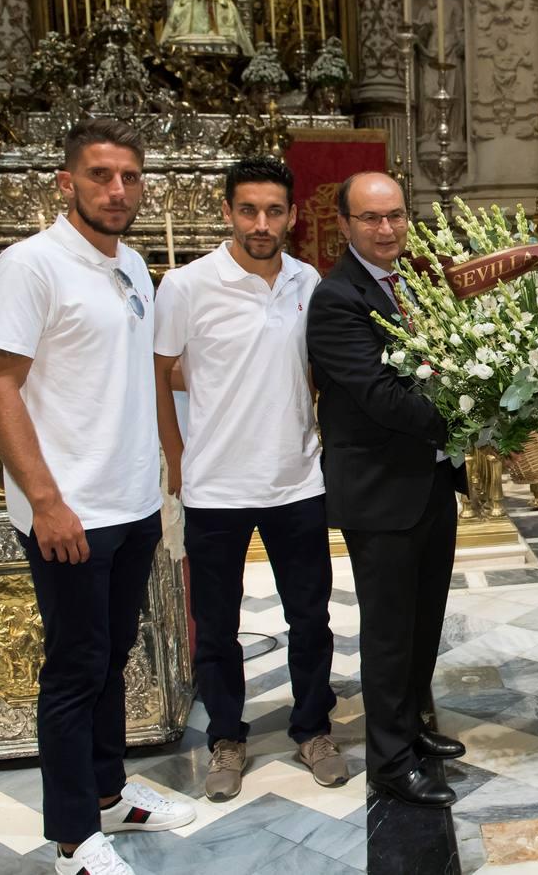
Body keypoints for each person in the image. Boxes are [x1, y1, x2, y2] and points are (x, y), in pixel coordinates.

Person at [0, 118, 195, 875]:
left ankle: (108, 796)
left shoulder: (133, 264)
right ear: (66, 182)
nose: (117, 190)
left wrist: (163, 473)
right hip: (69, 510)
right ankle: (72, 838)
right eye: (101, 175)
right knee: (74, 668)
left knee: (113, 654)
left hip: (129, 503)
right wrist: (44, 501)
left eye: (130, 177)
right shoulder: (30, 265)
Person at [153, 157, 344, 802]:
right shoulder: (187, 285)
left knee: (311, 617)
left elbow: (315, 370)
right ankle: (227, 739)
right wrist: (176, 456)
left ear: (291, 215)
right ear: (227, 211)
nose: (261, 224)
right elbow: (161, 372)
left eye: (274, 211)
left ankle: (313, 727)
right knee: (217, 623)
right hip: (215, 484)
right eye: (247, 210)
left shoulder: (306, 279)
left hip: (296, 478)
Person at [306, 171, 468, 807]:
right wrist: (474, 413)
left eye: (395, 215)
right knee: (389, 630)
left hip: (427, 480)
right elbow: (376, 395)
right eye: (371, 218)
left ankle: (412, 729)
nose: (386, 229)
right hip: (379, 492)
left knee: (425, 621)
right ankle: (390, 760)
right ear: (344, 225)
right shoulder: (336, 298)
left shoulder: (415, 287)